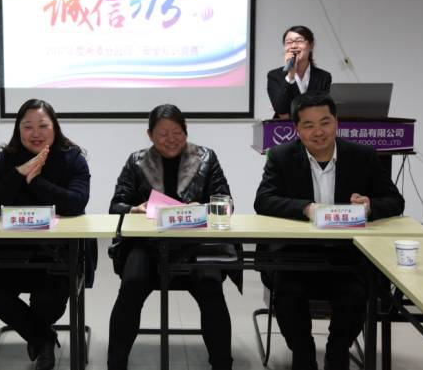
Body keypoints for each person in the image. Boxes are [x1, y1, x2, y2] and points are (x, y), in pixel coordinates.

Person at [254, 92, 405, 370]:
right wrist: (306, 208)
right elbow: (263, 200)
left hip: (347, 257)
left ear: (336, 122)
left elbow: (395, 201)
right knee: (288, 299)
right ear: (297, 129)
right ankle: (303, 355)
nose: (319, 132)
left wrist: (370, 206)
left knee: (355, 296)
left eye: (325, 122)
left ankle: (337, 353)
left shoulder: (363, 156)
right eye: (309, 125)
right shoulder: (281, 156)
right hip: (296, 256)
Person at [107, 104, 239, 370]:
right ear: (149, 135)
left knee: (211, 286)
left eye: (177, 132)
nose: (171, 139)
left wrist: (203, 208)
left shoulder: (206, 158)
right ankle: (116, 362)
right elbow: (115, 206)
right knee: (131, 284)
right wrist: (134, 209)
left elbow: (226, 204)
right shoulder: (137, 161)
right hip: (147, 245)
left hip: (196, 244)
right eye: (163, 134)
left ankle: (222, 363)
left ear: (186, 131)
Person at [0, 99, 92, 370]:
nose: (35, 133)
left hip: (57, 253)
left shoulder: (72, 158)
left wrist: (35, 181)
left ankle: (38, 336)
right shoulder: (6, 160)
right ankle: (43, 339)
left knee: (49, 301)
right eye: (27, 127)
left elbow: (75, 203)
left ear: (54, 127)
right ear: (18, 129)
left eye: (42, 126)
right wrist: (18, 174)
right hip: (9, 251)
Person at [267, 25, 332, 119]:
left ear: (311, 45)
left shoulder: (324, 77)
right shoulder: (274, 76)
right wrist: (290, 76)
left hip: (313, 126)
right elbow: (280, 109)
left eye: (299, 41)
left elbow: (320, 109)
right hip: (285, 127)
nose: (293, 46)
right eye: (289, 42)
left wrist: (290, 113)